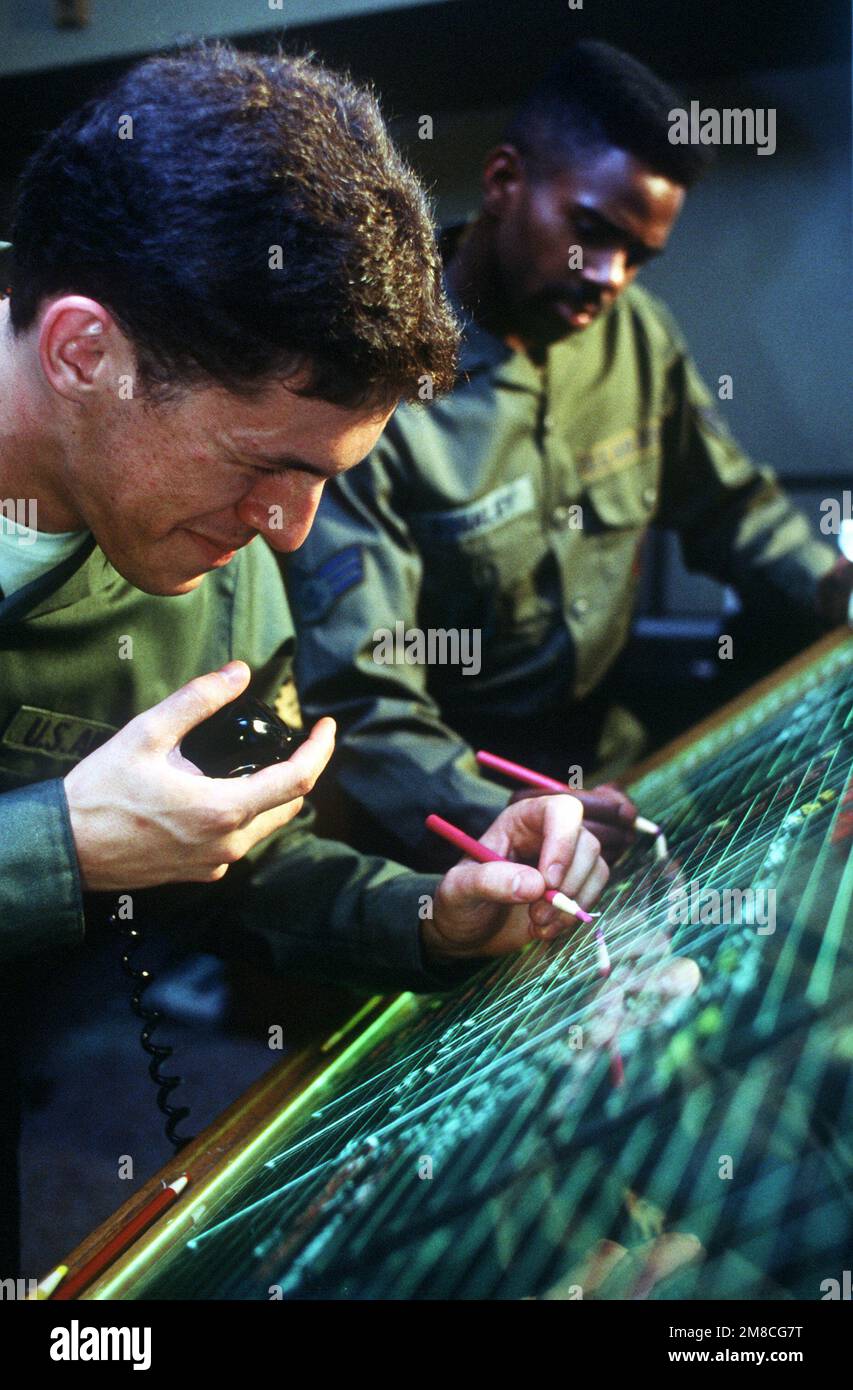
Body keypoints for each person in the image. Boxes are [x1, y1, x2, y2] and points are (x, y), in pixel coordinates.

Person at [0, 43, 610, 1275]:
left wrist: (431, 921)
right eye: (264, 466)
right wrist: (56, 847)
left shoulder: (224, 578)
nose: (289, 533)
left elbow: (239, 855)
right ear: (81, 353)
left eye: (328, 477)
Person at [287, 40, 852, 874]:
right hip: (458, 804)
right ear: (504, 180)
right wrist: (503, 817)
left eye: (640, 256)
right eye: (591, 232)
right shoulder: (373, 385)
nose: (612, 277)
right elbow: (366, 695)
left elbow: (729, 507)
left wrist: (828, 585)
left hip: (619, 758)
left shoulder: (636, 337)